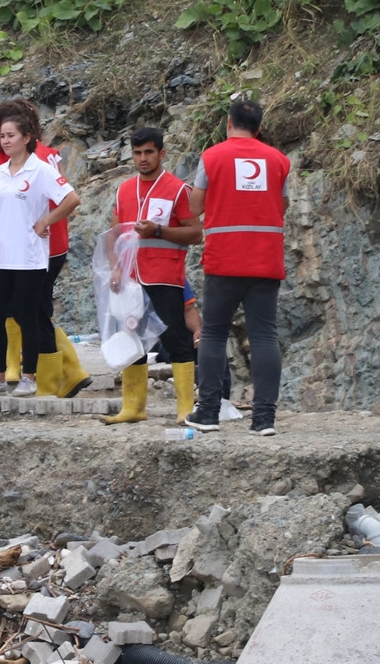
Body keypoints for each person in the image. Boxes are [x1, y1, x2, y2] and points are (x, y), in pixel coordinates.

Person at [186, 97, 292, 436]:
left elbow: (195, 207)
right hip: (265, 259)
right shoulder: (278, 161)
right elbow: (283, 204)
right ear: (260, 128)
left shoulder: (212, 157)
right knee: (265, 335)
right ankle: (264, 420)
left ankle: (208, 414)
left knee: (214, 333)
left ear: (228, 124)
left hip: (224, 260)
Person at [0, 99, 91, 397]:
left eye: (11, 135)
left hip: (29, 258)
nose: (4, 140)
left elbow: (72, 198)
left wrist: (46, 220)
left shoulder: (41, 170)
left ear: (27, 138)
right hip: (0, 257)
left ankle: (29, 376)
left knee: (28, 318)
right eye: (2, 136)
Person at [102, 126, 204, 425]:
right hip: (131, 282)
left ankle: (185, 408)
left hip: (165, 277)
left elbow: (196, 233)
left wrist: (159, 230)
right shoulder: (123, 189)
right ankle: (133, 407)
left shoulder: (177, 189)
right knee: (131, 338)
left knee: (176, 340)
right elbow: (114, 233)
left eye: (148, 152)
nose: (142, 158)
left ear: (162, 153)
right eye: (137, 153)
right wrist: (116, 266)